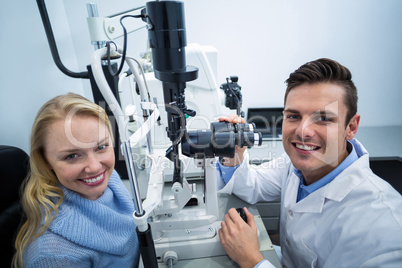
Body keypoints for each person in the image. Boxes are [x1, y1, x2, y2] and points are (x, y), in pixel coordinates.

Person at [217, 58, 402, 267]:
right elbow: (252, 185)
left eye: (323, 118)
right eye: (294, 116)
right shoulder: (295, 165)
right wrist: (233, 154)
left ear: (351, 127)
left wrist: (252, 261)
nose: (303, 132)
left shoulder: (382, 229)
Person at [13, 93, 140, 267]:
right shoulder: (52, 256)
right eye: (72, 155)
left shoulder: (109, 181)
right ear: (45, 161)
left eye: (101, 147)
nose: (95, 167)